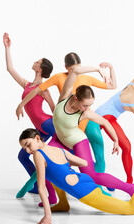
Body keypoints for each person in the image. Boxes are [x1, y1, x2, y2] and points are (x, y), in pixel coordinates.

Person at [19, 128, 134, 224]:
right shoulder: (58, 150)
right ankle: (63, 204)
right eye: (24, 148)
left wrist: (47, 215)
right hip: (83, 179)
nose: (27, 150)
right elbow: (84, 162)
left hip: (85, 192)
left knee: (131, 209)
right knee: (54, 177)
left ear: (38, 138)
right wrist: (66, 163)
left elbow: (41, 187)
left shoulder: (38, 155)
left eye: (27, 144)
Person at [16, 52, 117, 196]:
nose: (74, 71)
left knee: (98, 157)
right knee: (52, 158)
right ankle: (43, 189)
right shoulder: (60, 78)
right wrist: (55, 116)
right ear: (66, 67)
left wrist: (109, 69)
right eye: (71, 69)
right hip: (68, 124)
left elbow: (112, 86)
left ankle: (100, 186)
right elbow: (41, 92)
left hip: (86, 121)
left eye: (78, 68)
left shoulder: (86, 78)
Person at [3, 32, 57, 203]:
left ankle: (52, 194)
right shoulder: (27, 84)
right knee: (22, 156)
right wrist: (7, 47)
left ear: (40, 69)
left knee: (45, 158)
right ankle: (35, 186)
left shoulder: (43, 87)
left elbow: (53, 108)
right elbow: (10, 69)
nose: (34, 62)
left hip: (48, 124)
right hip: (39, 129)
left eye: (37, 61)